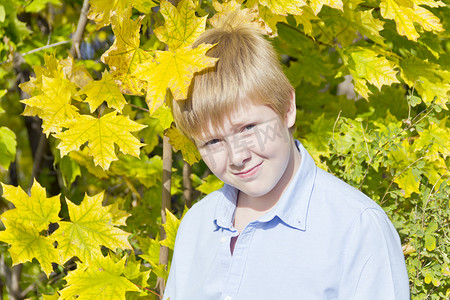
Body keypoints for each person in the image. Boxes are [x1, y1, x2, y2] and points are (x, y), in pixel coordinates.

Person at [163, 13, 410, 300]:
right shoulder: (196, 226)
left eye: (248, 128)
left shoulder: (355, 227)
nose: (237, 156)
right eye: (213, 142)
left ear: (287, 108)